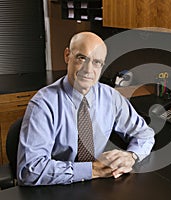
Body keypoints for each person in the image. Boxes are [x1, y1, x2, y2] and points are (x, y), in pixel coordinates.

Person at [17, 32, 155, 186]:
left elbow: (145, 134)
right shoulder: (43, 104)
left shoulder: (111, 97)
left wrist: (132, 155)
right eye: (82, 58)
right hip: (57, 188)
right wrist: (93, 170)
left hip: (98, 188)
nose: (88, 70)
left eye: (97, 62)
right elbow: (29, 171)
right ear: (67, 55)